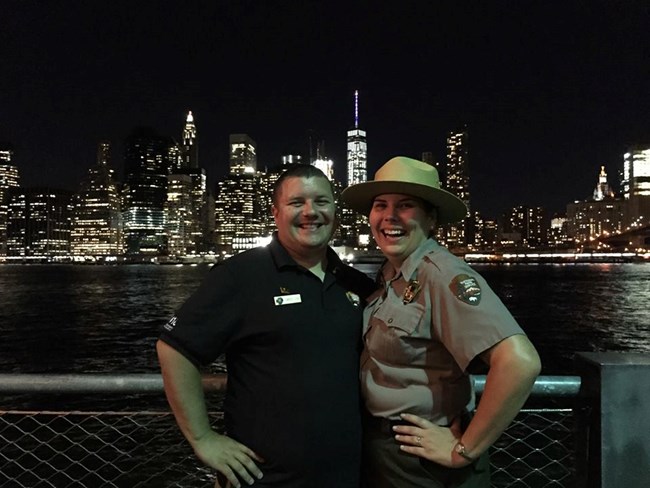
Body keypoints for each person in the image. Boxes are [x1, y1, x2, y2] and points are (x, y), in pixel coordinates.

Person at [157, 164, 376, 488]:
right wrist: (203, 438)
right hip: (263, 479)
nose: (310, 212)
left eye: (321, 201)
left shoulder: (357, 284)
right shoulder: (241, 276)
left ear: (335, 210)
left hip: (348, 476)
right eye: (296, 202)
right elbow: (174, 348)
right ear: (275, 212)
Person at [341, 156, 542, 487]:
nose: (389, 216)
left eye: (405, 205)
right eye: (380, 205)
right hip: (387, 450)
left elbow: (520, 362)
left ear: (430, 217)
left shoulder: (443, 274)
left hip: (422, 461)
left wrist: (464, 450)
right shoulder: (394, 274)